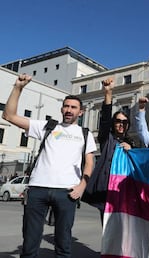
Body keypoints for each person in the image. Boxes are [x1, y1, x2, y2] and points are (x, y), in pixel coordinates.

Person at [2, 74, 96, 258]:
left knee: (63, 244)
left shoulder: (85, 134)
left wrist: (81, 187)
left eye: (73, 107)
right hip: (38, 189)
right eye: (66, 106)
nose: (69, 110)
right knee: (29, 243)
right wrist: (18, 88)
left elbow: (89, 163)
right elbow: (9, 116)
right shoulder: (47, 126)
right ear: (62, 108)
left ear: (81, 112)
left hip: (67, 192)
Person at [82, 77, 135, 223]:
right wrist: (108, 93)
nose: (121, 124)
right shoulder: (107, 138)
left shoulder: (131, 143)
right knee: (108, 227)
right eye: (118, 121)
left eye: (124, 122)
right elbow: (105, 119)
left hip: (124, 190)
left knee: (124, 228)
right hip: (107, 188)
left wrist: (131, 150)